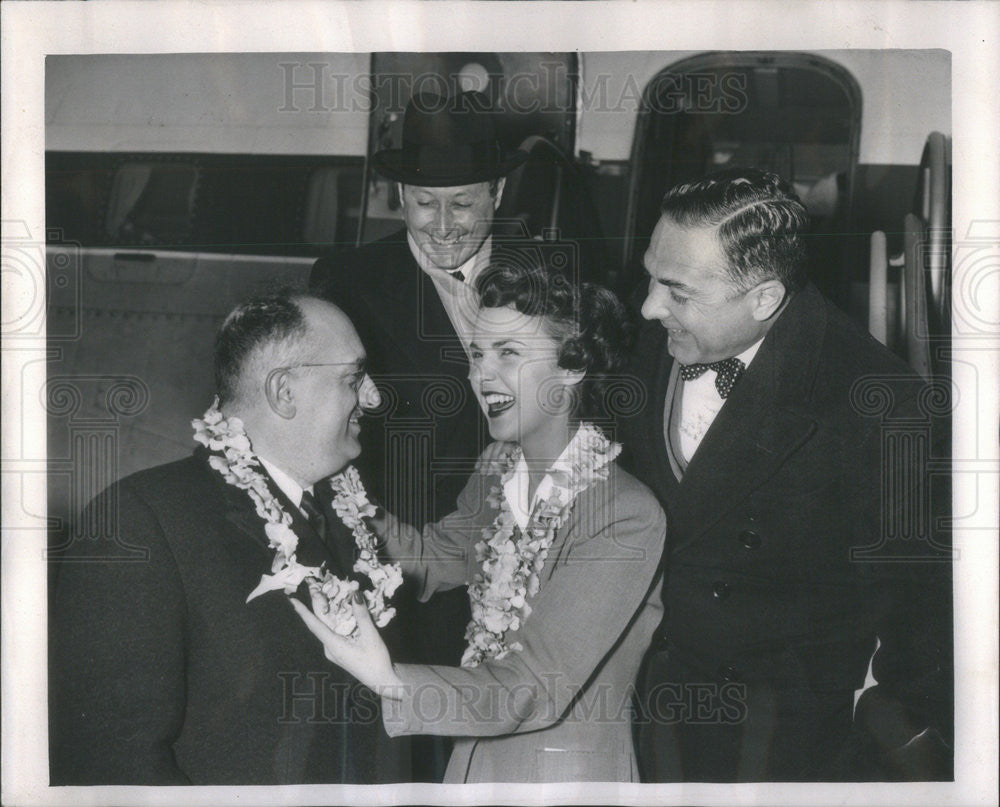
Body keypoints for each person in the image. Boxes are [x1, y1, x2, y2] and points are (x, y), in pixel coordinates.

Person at [620, 168, 953, 781]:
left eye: (677, 291)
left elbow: (923, 617)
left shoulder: (882, 405)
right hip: (634, 693)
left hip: (777, 731)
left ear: (766, 299)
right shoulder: (648, 341)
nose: (648, 306)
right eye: (650, 275)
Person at [292, 258, 667, 783]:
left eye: (508, 353)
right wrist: (335, 485)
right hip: (473, 760)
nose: (480, 375)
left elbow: (534, 684)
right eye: (476, 353)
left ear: (573, 365)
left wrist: (392, 681)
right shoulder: (498, 468)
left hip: (564, 778)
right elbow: (436, 557)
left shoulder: (624, 515)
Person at [49, 290, 410, 785]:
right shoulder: (141, 519)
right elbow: (113, 759)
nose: (373, 396)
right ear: (284, 392)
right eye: (353, 378)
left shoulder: (349, 519)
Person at [309, 89, 529, 779]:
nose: (441, 225)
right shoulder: (346, 280)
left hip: (530, 558)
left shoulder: (553, 268)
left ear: (497, 189)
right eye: (422, 202)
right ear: (397, 194)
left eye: (462, 202)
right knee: (413, 755)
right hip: (405, 567)